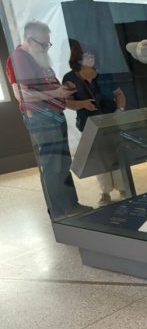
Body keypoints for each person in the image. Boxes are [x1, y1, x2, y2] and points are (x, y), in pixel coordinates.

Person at [8, 20, 91, 218]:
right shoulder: (18, 58)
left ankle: (70, 205)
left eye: (48, 44)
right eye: (43, 44)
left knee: (61, 163)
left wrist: (63, 91)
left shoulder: (38, 57)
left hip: (54, 115)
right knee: (52, 164)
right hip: (40, 117)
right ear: (30, 40)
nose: (47, 48)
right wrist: (56, 92)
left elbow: (44, 86)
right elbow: (22, 95)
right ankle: (59, 210)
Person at [62, 39, 127, 205]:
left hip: (111, 121)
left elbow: (119, 94)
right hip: (88, 124)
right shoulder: (69, 78)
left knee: (116, 155)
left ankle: (122, 187)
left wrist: (119, 111)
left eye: (93, 56)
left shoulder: (104, 74)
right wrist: (82, 104)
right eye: (87, 56)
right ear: (78, 59)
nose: (91, 58)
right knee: (99, 158)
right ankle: (104, 192)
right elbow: (66, 102)